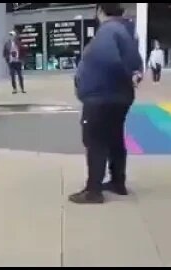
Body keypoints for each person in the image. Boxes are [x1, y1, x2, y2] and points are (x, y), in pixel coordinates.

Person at [69, 3, 143, 204]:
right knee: (114, 138)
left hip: (101, 97)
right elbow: (137, 65)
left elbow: (108, 61)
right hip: (120, 97)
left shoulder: (107, 31)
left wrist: (84, 81)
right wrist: (130, 78)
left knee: (95, 141)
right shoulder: (127, 31)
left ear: (100, 11)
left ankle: (93, 190)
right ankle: (118, 182)